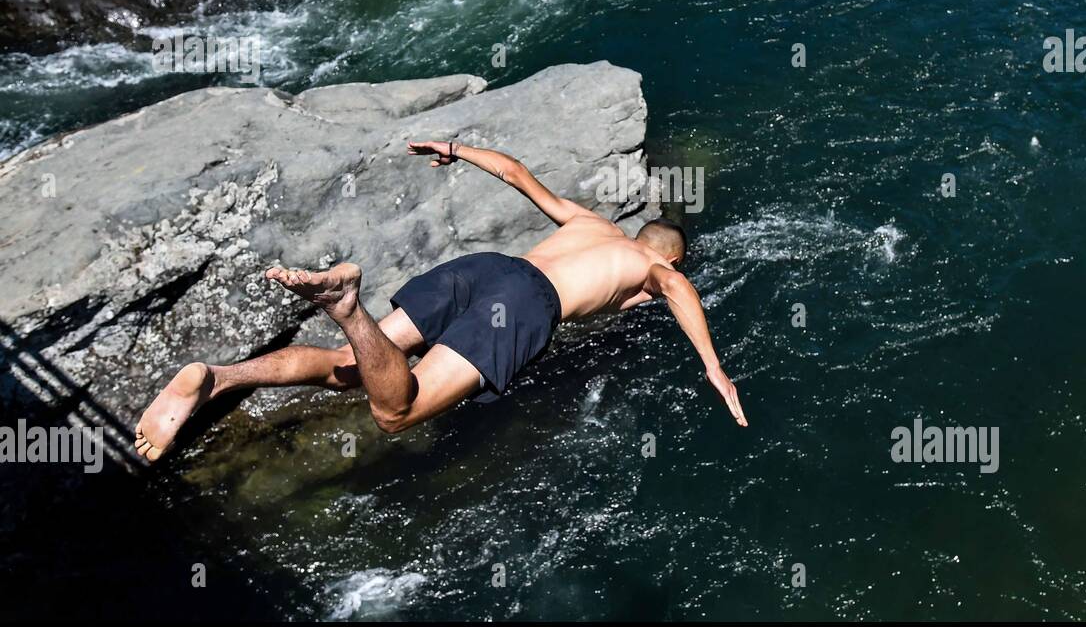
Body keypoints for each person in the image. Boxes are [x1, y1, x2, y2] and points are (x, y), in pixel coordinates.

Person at [134, 140, 746, 461]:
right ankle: (348, 304)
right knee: (397, 411)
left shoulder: (588, 223)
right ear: (664, 254)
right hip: (529, 300)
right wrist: (714, 368)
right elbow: (673, 287)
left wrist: (454, 150)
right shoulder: (650, 267)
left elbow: (513, 172)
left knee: (351, 371)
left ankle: (217, 378)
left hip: (486, 270)